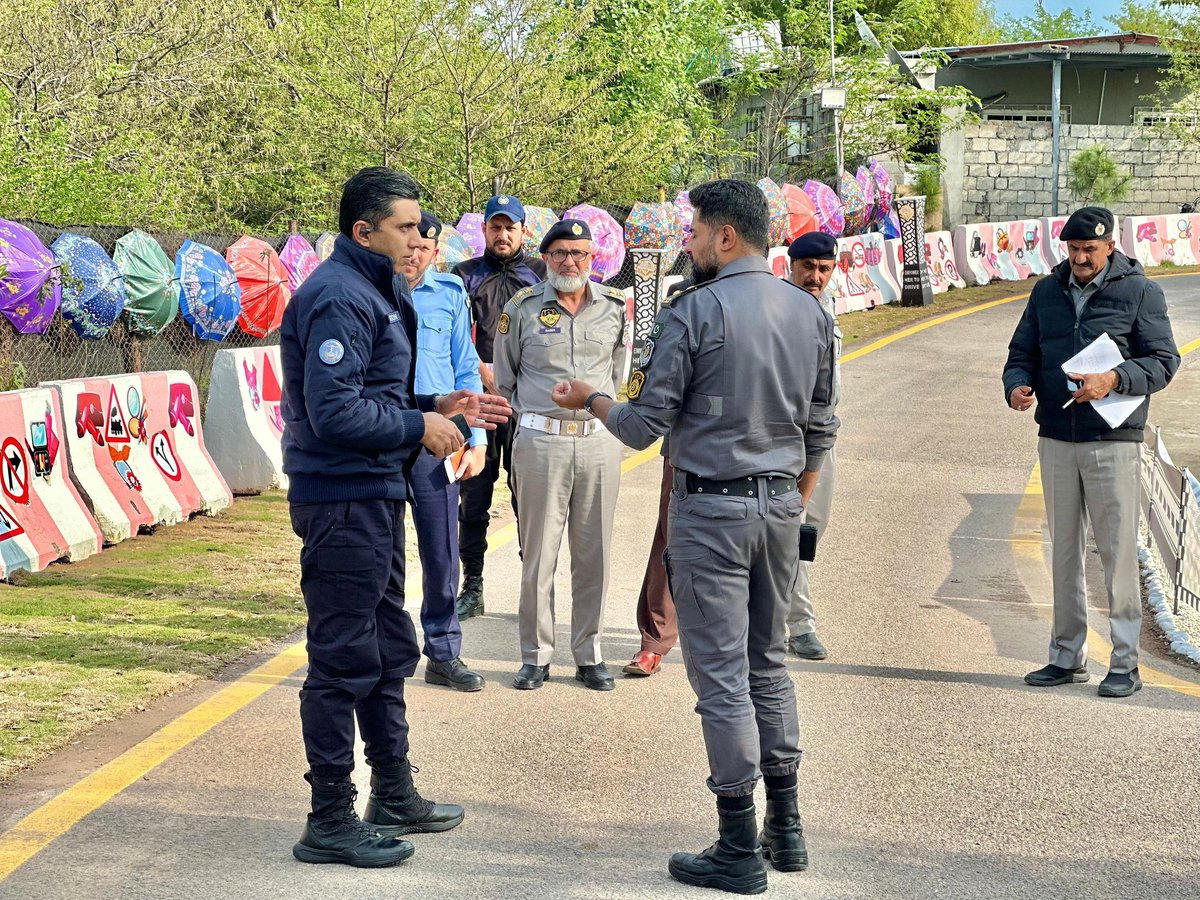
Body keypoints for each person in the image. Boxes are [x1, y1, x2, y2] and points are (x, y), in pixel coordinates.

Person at [552, 179, 839, 894]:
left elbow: (645, 426)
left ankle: (738, 845)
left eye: (694, 231)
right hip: (778, 509)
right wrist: (790, 508)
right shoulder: (809, 314)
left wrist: (591, 398)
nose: (688, 241)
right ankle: (787, 830)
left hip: (712, 512)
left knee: (721, 681)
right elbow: (822, 431)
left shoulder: (695, 311)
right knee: (768, 666)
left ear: (726, 238)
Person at [280, 167, 511, 868]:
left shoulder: (378, 291)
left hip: (374, 493)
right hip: (341, 498)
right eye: (407, 227)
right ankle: (329, 818)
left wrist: (441, 407)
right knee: (342, 657)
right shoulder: (338, 297)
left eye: (420, 227)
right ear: (364, 231)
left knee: (385, 647)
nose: (420, 238)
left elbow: (377, 388)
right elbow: (335, 409)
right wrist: (416, 426)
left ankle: (393, 791)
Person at [1003, 205, 1179, 699]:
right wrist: (1017, 386)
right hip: (1058, 436)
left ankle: (1124, 661)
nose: (1081, 258)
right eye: (1074, 249)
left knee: (1117, 551)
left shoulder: (1141, 291)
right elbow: (1022, 353)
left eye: (1090, 250)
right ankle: (1066, 656)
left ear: (1110, 246)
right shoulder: (1045, 291)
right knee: (1063, 550)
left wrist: (1115, 379)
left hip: (1113, 441)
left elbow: (1164, 362)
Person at [493, 218, 628, 692]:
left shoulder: (614, 308)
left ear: (594, 259)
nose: (571, 262)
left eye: (580, 254)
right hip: (541, 442)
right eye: (561, 253)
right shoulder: (521, 308)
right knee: (539, 555)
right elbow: (504, 379)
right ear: (546, 257)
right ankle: (536, 655)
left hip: (597, 441)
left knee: (594, 554)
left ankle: (588, 653)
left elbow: (619, 372)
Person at [451, 195, 547, 620]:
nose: (503, 235)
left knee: (530, 495)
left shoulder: (543, 274)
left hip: (528, 404)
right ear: (485, 230)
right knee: (474, 496)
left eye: (511, 227)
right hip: (479, 403)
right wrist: (488, 376)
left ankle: (534, 590)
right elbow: (456, 340)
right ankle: (473, 584)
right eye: (495, 227)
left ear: (524, 230)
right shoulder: (464, 275)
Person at [403, 211, 487, 692]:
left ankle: (443, 652)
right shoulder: (373, 295)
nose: (414, 254)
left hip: (438, 440)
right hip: (385, 434)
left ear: (436, 253)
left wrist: (474, 440)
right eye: (408, 243)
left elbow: (465, 369)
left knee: (441, 550)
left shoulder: (451, 296)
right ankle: (384, 649)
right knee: (382, 550)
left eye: (423, 248)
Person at [624, 277, 693, 678]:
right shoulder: (682, 303)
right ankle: (654, 640)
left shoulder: (769, 300)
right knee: (671, 539)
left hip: (756, 450)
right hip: (688, 447)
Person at [784, 232, 843, 661]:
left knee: (810, 527)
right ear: (791, 266)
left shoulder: (830, 311)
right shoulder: (780, 310)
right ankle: (799, 624)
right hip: (786, 438)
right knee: (790, 525)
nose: (815, 277)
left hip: (823, 439)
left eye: (824, 269)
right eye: (808, 268)